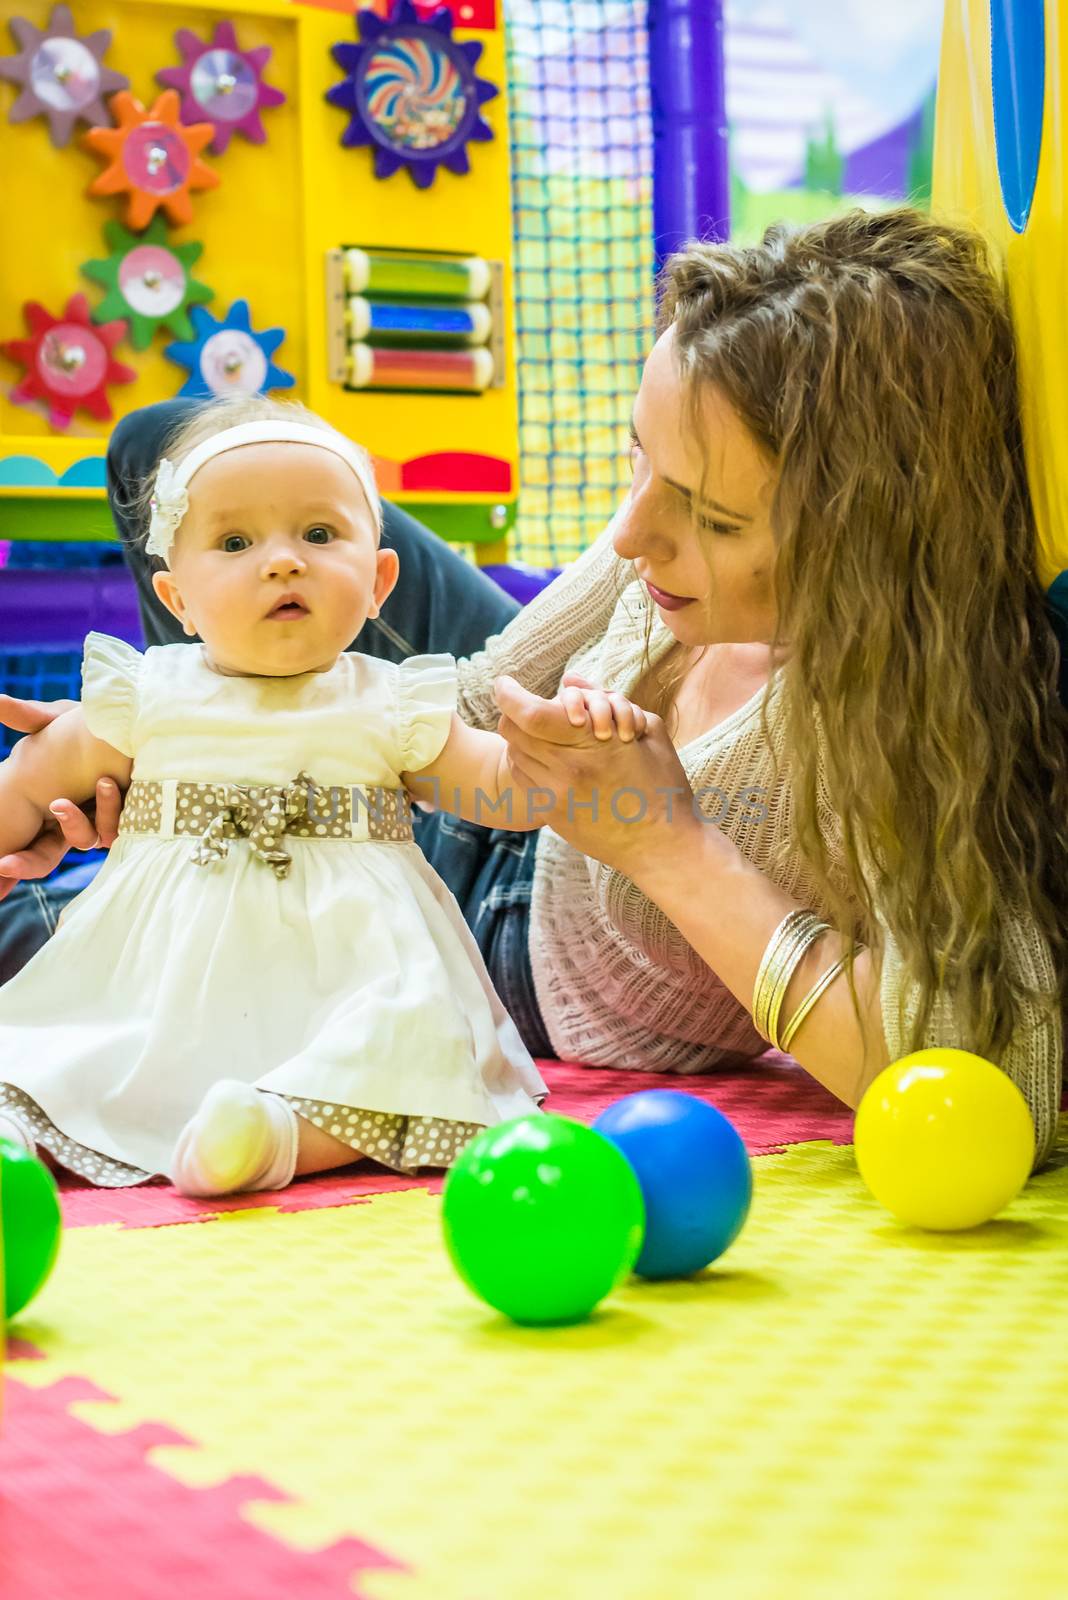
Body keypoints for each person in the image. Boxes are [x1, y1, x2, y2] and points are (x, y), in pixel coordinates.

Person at [5, 207, 1067, 1171]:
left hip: (516, 960)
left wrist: (668, 844)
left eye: (711, 516)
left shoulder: (902, 725)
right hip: (468, 780)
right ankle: (197, 874)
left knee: (49, 968)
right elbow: (468, 700)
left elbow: (1000, 1079)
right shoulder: (663, 536)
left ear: (859, 543)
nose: (634, 533)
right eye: (635, 462)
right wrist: (207, 731)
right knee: (181, 453)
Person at [0, 394, 640, 1195]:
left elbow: (501, 792)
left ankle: (272, 1135)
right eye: (235, 542)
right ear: (176, 602)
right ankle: (30, 1124)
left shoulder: (394, 701)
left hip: (358, 963)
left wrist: (560, 759)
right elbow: (29, 779)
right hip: (174, 965)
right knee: (87, 1038)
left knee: (410, 1042)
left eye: (318, 534)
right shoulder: (145, 693)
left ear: (379, 581)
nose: (282, 561)